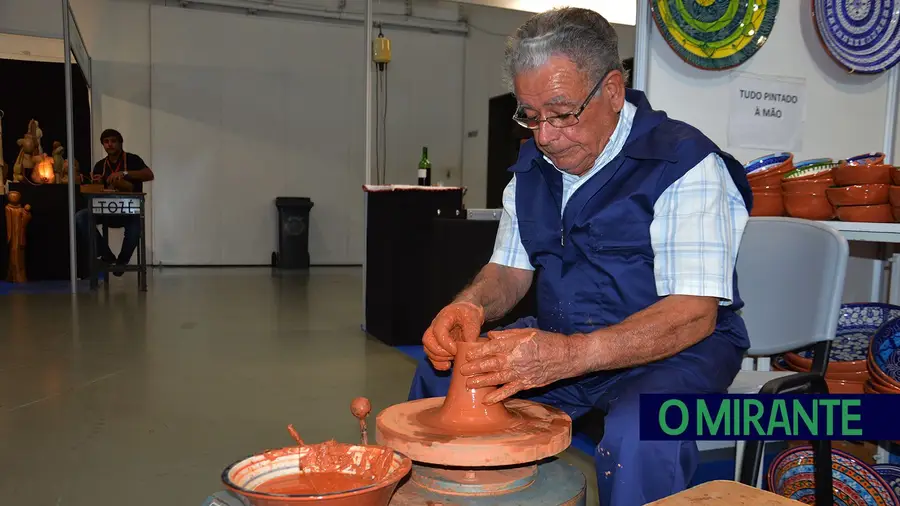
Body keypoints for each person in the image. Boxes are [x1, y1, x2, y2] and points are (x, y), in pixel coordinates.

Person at [408, 8, 753, 506]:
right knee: (441, 374)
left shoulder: (684, 164)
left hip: (677, 350)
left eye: (562, 113)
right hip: (565, 346)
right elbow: (507, 271)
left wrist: (570, 356)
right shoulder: (532, 170)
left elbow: (692, 314)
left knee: (642, 429)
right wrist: (472, 307)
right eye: (530, 116)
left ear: (612, 90)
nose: (545, 135)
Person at [75, 129, 154, 276]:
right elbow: (99, 189)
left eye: (113, 141)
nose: (110, 144)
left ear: (120, 142)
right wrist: (97, 183)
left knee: (135, 229)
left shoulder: (132, 159)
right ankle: (106, 255)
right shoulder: (100, 165)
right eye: (106, 142)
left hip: (129, 210)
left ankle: (121, 263)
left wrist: (124, 173)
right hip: (107, 209)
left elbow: (149, 175)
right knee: (81, 216)